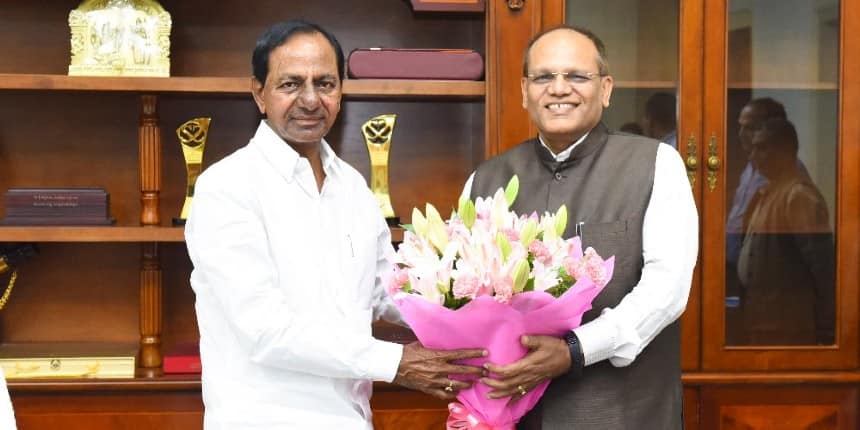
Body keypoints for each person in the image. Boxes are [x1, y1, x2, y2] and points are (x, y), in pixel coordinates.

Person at [185, 20, 484, 429]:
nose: (310, 99)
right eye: (290, 84)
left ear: (341, 92)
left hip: (353, 417)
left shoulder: (352, 185)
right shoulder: (226, 187)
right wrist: (396, 362)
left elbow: (385, 292)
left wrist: (479, 313)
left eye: (325, 83)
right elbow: (264, 330)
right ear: (259, 93)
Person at [462, 26, 698, 429]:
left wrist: (575, 349)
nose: (558, 89)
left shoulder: (656, 164)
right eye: (543, 77)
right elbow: (461, 296)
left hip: (625, 414)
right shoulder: (484, 180)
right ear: (524, 91)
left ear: (605, 89)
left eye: (576, 76)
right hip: (515, 415)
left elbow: (667, 290)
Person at [735, 118, 834, 345]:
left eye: (761, 148)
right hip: (762, 320)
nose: (752, 156)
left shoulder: (798, 195)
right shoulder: (769, 191)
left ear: (785, 150)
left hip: (788, 325)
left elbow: (822, 267)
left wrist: (827, 325)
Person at [724, 98, 810, 328]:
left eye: (750, 127)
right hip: (741, 280)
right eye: (740, 126)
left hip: (777, 297)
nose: (741, 133)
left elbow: (809, 255)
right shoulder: (751, 167)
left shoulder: (791, 179)